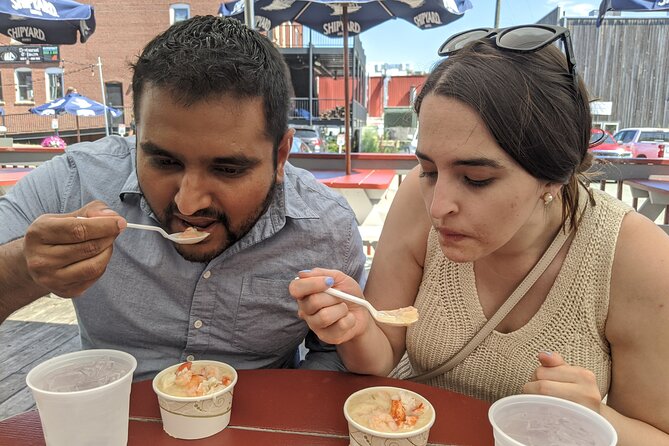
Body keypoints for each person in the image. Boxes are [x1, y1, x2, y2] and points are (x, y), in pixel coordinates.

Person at [290, 25, 669, 444]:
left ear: (554, 177)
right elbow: (381, 360)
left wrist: (597, 418)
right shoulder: (417, 199)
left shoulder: (636, 257)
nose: (437, 207)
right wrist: (357, 326)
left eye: (475, 178)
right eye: (430, 170)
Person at [0, 15, 366, 380]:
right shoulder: (75, 181)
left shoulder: (327, 228)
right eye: (163, 161)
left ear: (281, 155)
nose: (188, 204)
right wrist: (25, 267)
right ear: (137, 135)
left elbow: (336, 356)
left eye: (228, 169)